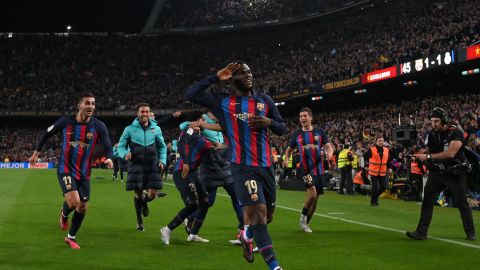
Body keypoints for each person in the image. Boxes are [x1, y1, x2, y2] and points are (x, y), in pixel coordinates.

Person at [186, 62, 285, 270]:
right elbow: (191, 94)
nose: (248, 75)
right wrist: (215, 76)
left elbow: (281, 128)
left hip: (266, 165)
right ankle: (275, 266)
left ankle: (247, 235)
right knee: (257, 214)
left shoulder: (264, 100)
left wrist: (269, 122)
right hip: (242, 166)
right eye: (242, 73)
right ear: (231, 78)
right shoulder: (223, 102)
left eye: (250, 71)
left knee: (268, 216)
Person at [29, 93, 114, 249]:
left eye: (93, 104)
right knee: (75, 202)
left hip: (84, 172)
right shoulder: (65, 122)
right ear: (79, 105)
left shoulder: (99, 126)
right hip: (65, 169)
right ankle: (66, 217)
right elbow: (47, 133)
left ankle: (70, 234)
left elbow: (108, 144)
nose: (91, 106)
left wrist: (109, 157)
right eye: (87, 103)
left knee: (82, 206)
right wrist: (37, 152)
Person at [406, 107, 476, 241]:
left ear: (444, 120)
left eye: (436, 121)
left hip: (455, 172)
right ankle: (421, 232)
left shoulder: (456, 132)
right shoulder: (432, 133)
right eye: (432, 121)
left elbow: (451, 153)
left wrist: (427, 157)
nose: (433, 124)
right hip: (438, 171)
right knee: (427, 200)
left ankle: (470, 232)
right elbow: (429, 151)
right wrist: (417, 155)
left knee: (462, 203)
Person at [185, 113, 244, 243]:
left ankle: (243, 230)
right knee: (208, 202)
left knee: (237, 198)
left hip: (224, 168)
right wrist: (197, 126)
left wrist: (222, 146)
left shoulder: (221, 126)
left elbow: (226, 144)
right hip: (210, 171)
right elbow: (183, 126)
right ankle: (190, 219)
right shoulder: (201, 126)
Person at [117, 103, 167, 231]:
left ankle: (146, 201)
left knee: (152, 194)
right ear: (137, 113)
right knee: (138, 194)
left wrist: (162, 160)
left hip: (152, 165)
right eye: (142, 112)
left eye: (147, 112)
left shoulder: (156, 129)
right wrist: (124, 154)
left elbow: (162, 147)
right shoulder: (129, 129)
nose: (144, 114)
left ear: (150, 113)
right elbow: (121, 146)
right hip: (136, 165)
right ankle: (139, 220)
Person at [283, 107, 333, 233]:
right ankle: (302, 218)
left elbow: (328, 146)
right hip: (305, 170)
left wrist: (330, 153)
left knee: (315, 199)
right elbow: (289, 149)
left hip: (319, 170)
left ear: (310, 117)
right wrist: (286, 159)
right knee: (313, 194)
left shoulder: (320, 132)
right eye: (301, 116)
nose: (302, 118)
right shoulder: (296, 135)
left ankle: (306, 223)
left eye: (305, 116)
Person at [160, 124, 211, 245]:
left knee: (205, 203)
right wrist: (186, 163)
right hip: (182, 171)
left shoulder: (202, 136)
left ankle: (193, 234)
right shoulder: (189, 130)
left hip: (193, 173)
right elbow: (181, 144)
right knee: (193, 204)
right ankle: (167, 229)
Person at [364, 134, 393, 206]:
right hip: (373, 171)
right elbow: (365, 156)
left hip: (382, 171)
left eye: (382, 141)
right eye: (379, 141)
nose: (381, 142)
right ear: (376, 142)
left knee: (384, 187)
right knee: (375, 187)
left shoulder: (386, 150)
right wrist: (368, 164)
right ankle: (373, 202)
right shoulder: (372, 149)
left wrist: (389, 167)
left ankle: (374, 197)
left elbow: (388, 160)